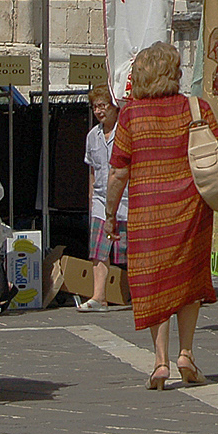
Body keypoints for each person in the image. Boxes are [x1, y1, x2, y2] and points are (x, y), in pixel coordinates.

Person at [103, 41, 218, 389]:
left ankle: (160, 362)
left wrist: (110, 214)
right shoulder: (195, 108)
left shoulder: (131, 115)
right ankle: (186, 353)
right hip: (191, 209)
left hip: (147, 213)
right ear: (171, 74)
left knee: (154, 281)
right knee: (189, 281)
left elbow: (118, 173)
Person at [77, 84, 128, 312]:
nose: (99, 111)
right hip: (100, 200)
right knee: (98, 250)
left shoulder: (126, 133)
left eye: (103, 105)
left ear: (114, 107)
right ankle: (99, 296)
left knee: (132, 252)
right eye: (95, 107)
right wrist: (90, 200)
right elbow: (93, 171)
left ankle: (140, 294)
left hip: (127, 200)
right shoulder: (92, 136)